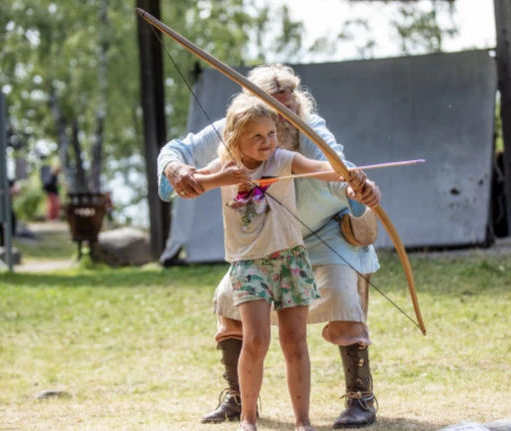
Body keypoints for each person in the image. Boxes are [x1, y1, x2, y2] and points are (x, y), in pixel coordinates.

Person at [158, 64, 381, 429]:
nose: (281, 122)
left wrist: (356, 186)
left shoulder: (307, 129)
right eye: (273, 110)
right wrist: (176, 170)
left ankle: (360, 397)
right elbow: (179, 152)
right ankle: (239, 398)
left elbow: (334, 167)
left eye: (287, 110)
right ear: (253, 109)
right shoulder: (239, 130)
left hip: (324, 236)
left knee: (342, 295)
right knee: (227, 299)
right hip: (258, 251)